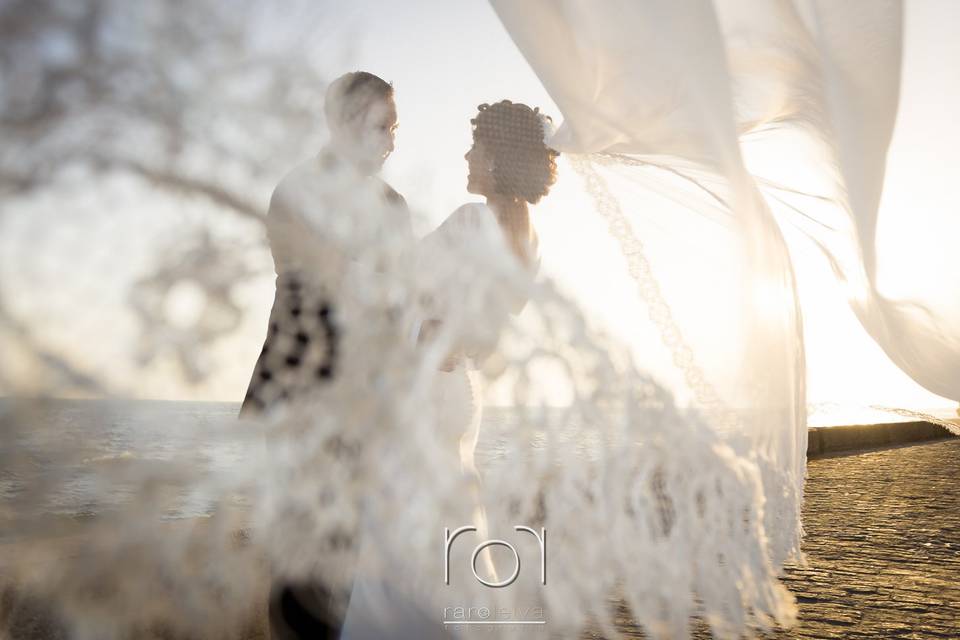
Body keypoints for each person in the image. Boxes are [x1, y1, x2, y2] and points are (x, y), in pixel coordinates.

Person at [337, 100, 560, 639]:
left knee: (403, 520)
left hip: (429, 387)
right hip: (458, 392)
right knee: (446, 513)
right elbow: (490, 328)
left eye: (476, 147)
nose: (466, 155)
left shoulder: (473, 220)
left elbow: (400, 282)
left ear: (499, 157)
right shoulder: (527, 234)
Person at [239, 70, 409, 640]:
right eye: (382, 125)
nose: (392, 139)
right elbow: (311, 284)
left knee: (341, 559)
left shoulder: (394, 204)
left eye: (395, 128)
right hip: (301, 394)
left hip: (366, 401)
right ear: (342, 123)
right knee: (298, 560)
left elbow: (398, 300)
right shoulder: (296, 190)